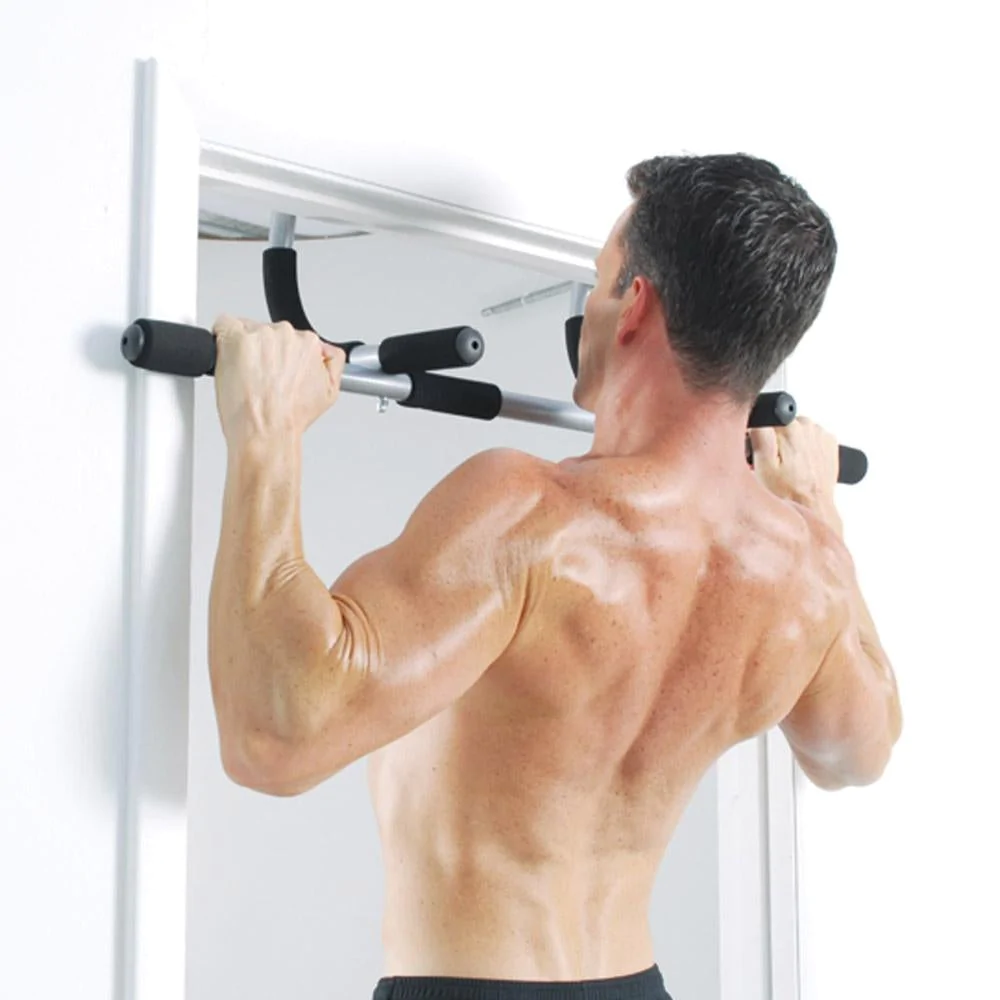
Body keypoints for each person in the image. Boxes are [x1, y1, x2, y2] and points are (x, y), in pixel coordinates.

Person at [207, 153, 903, 1000]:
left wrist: (266, 432)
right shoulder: (807, 567)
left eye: (601, 283)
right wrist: (818, 510)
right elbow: (855, 753)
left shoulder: (532, 515)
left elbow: (276, 737)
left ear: (636, 305)